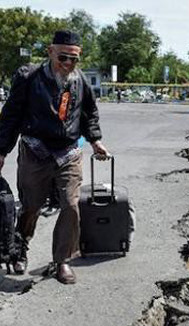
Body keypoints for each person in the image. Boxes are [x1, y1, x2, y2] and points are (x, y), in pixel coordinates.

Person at [0, 30, 109, 283]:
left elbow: (90, 114)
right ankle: (19, 250)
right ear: (50, 52)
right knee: (31, 207)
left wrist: (96, 141)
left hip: (68, 152)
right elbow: (11, 115)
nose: (68, 64)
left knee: (71, 206)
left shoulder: (80, 81)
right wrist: (2, 150)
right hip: (35, 150)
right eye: (63, 58)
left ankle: (62, 261)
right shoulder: (29, 77)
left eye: (74, 59)